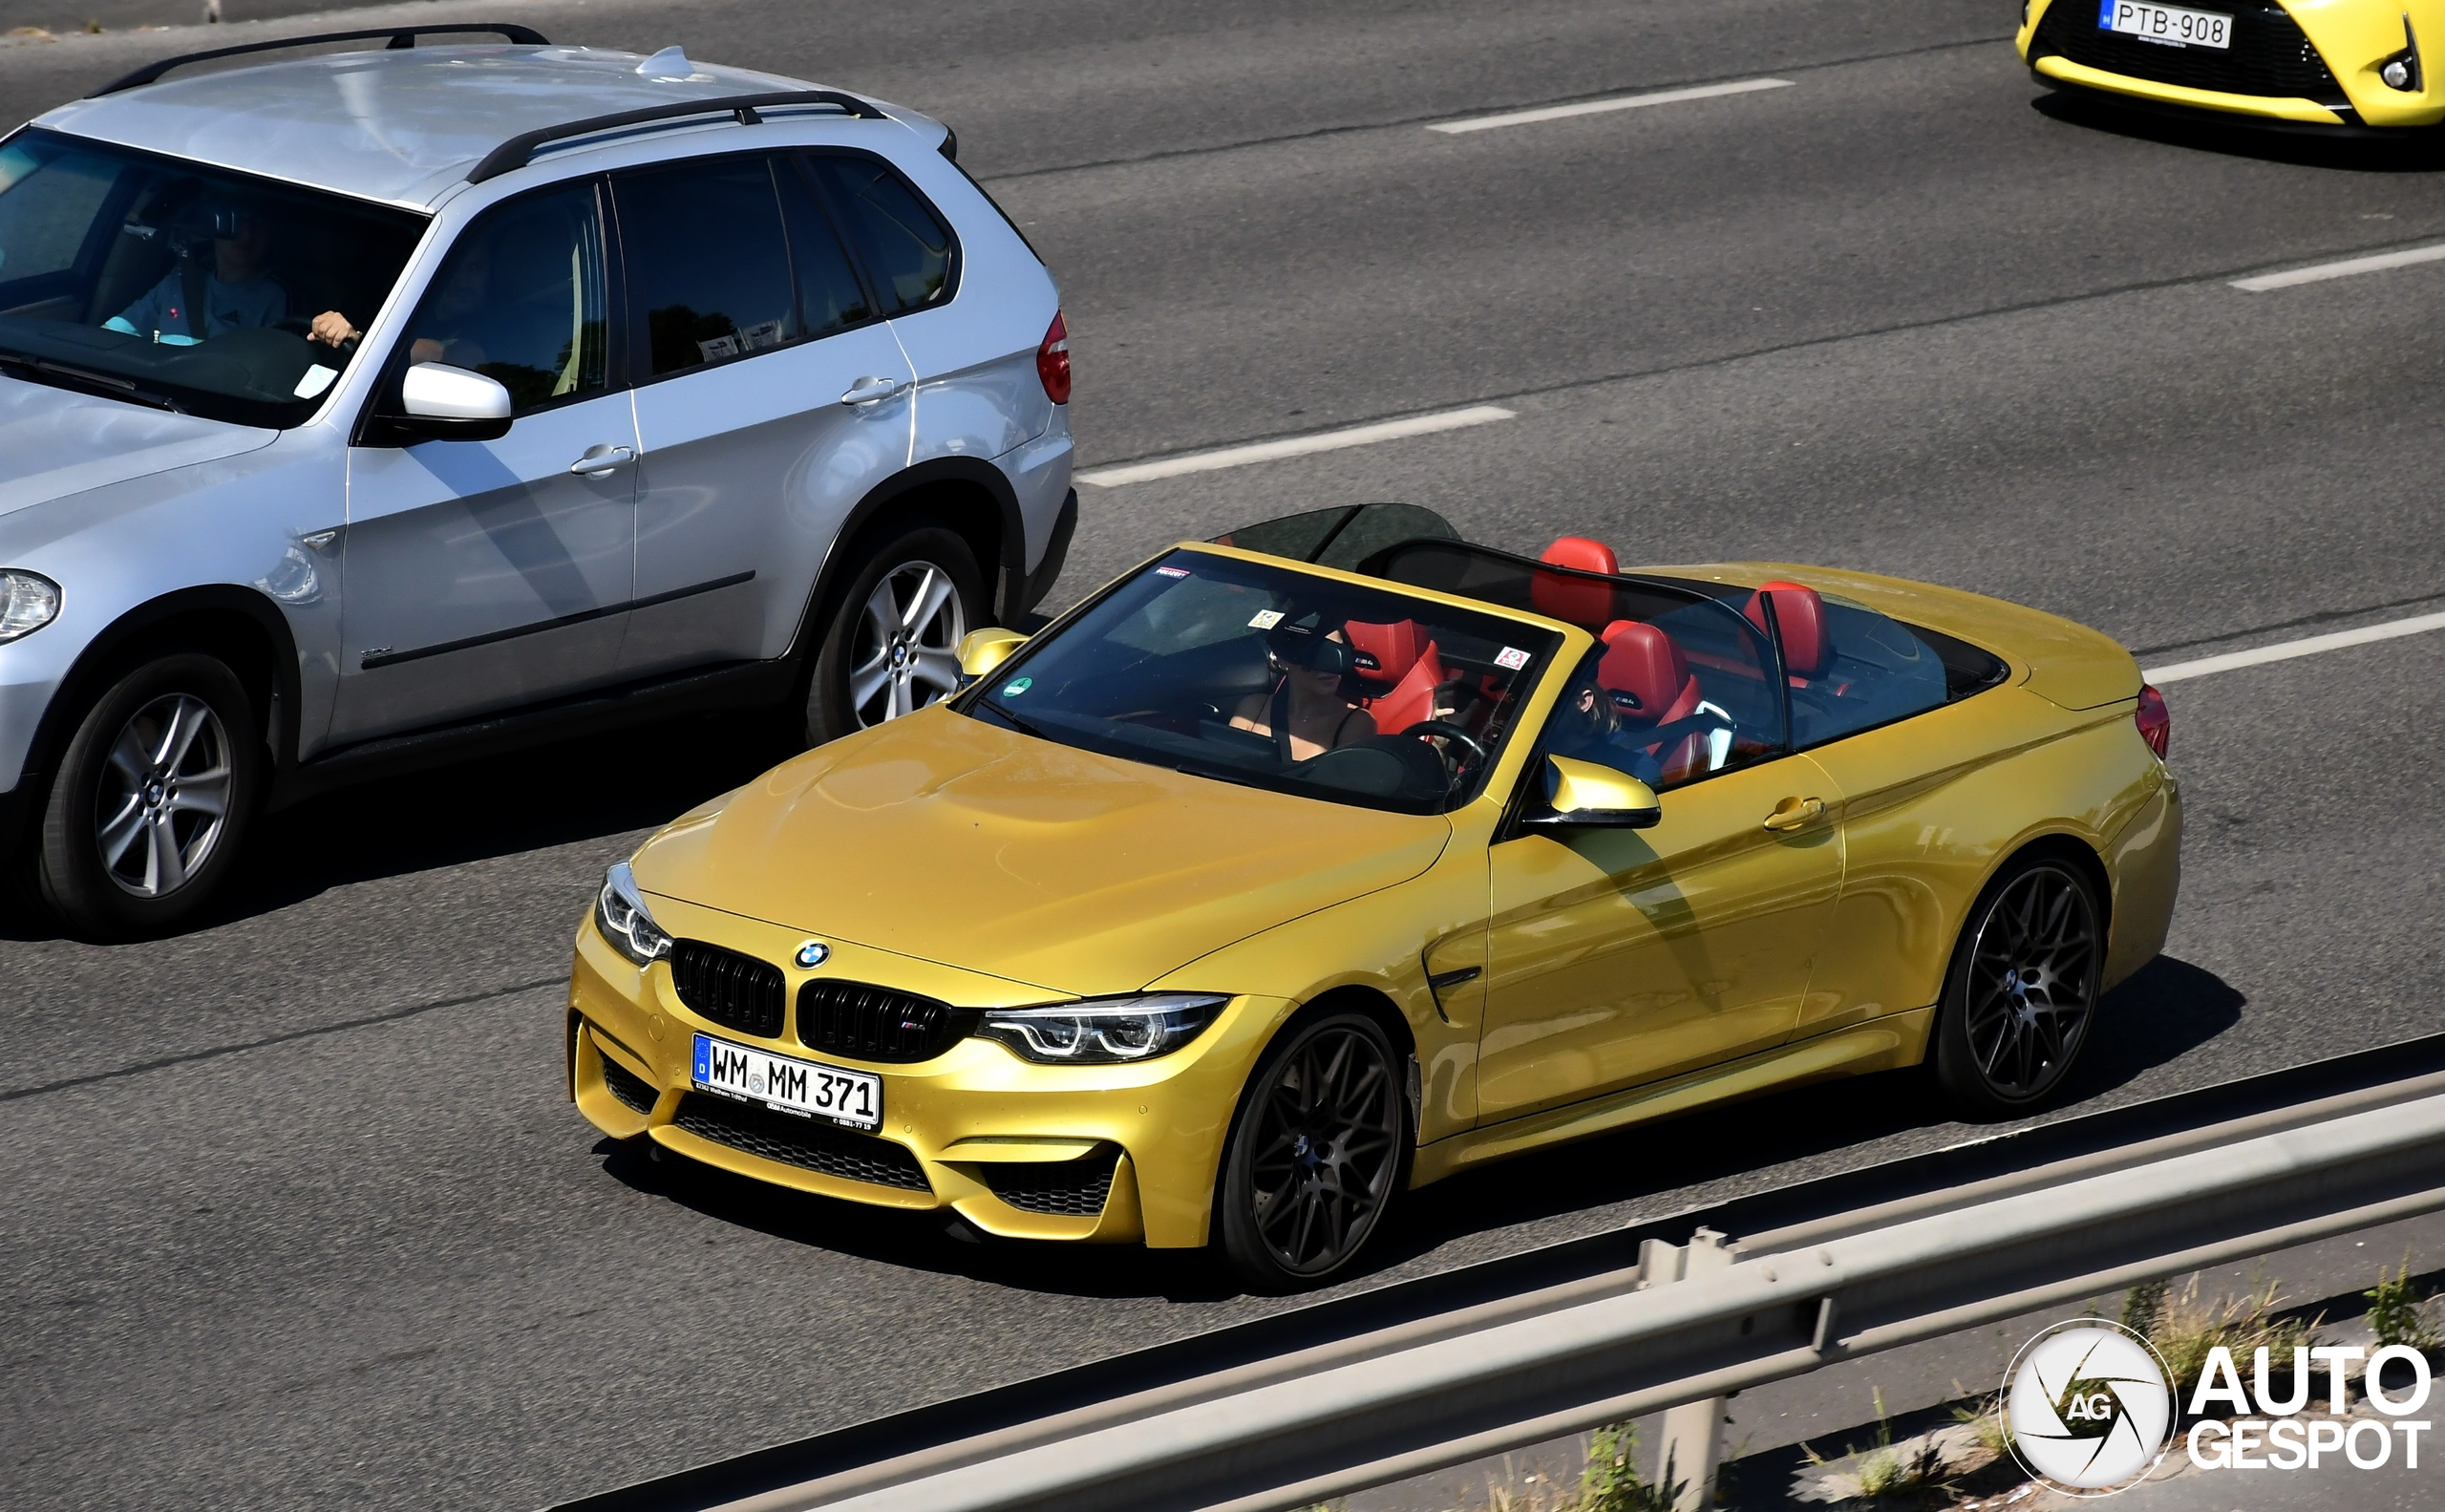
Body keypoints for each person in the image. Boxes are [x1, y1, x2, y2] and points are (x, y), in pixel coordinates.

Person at [105, 202, 357, 351]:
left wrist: (340, 332)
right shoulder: (182, 279)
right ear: (213, 226)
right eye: (236, 223)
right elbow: (112, 333)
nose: (246, 235)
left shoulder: (279, 295)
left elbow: (282, 368)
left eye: (257, 223)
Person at [1231, 624, 1378, 760]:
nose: (1332, 665)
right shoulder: (1254, 709)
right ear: (1283, 659)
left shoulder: (1357, 722)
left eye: (1339, 653)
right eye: (1318, 653)